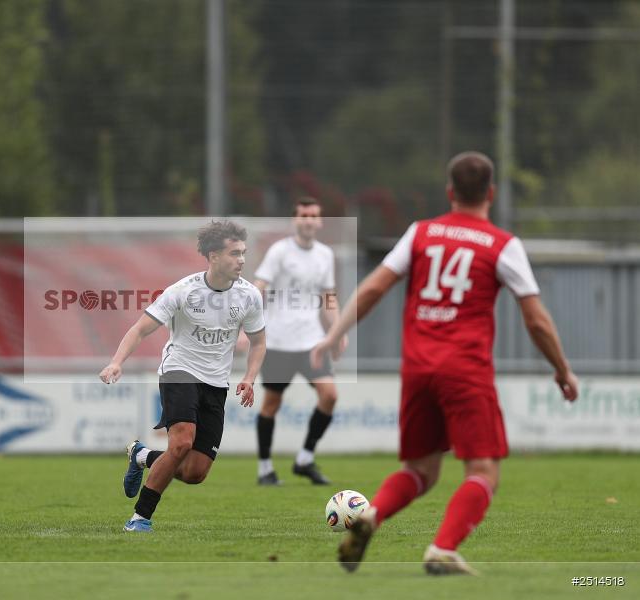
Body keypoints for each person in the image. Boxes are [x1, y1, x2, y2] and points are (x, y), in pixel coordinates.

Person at [311, 152, 578, 575]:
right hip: (465, 370)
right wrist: (562, 368)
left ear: (450, 192)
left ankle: (372, 514)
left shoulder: (421, 233)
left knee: (420, 470)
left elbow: (376, 286)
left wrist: (333, 334)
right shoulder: (502, 244)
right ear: (491, 193)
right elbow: (536, 318)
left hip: (418, 368)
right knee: (484, 470)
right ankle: (442, 548)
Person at [99, 221, 267, 532]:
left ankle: (142, 455)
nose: (242, 260)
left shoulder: (250, 297)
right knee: (181, 444)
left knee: (194, 472)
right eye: (234, 253)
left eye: (243, 253)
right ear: (214, 256)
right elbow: (140, 329)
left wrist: (250, 377)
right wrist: (116, 362)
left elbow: (258, 342)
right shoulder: (182, 291)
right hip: (180, 371)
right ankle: (139, 518)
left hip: (216, 383)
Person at [253, 198, 344, 485]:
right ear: (295, 220)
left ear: (319, 222)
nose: (308, 220)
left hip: (312, 341)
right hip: (278, 341)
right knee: (271, 404)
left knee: (329, 396)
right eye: (304, 215)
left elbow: (328, 297)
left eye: (314, 215)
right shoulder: (279, 251)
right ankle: (265, 468)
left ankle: (304, 459)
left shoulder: (325, 255)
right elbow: (259, 287)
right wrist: (249, 327)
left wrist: (337, 332)